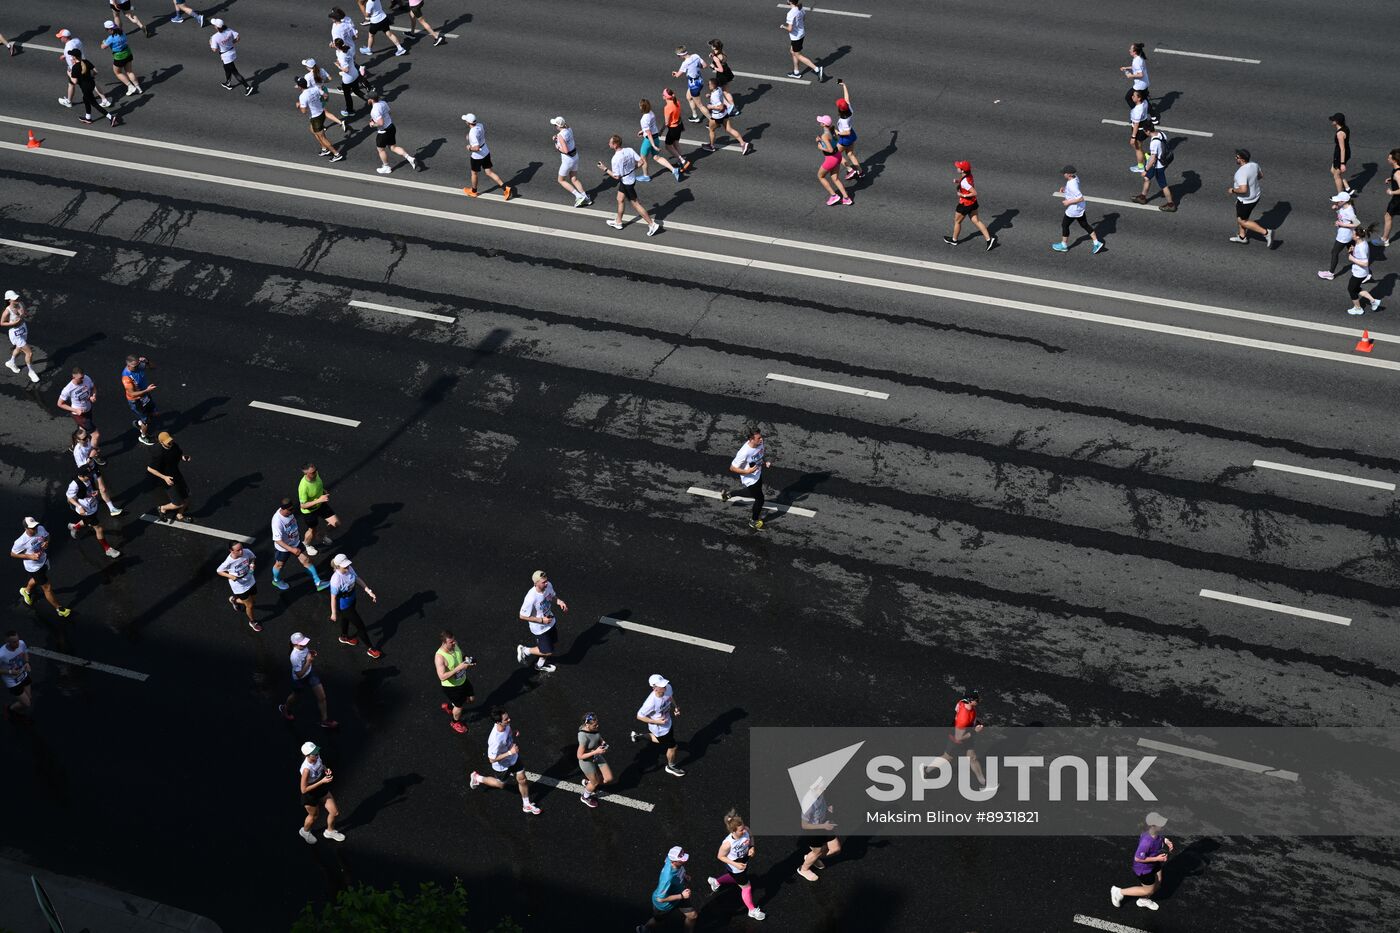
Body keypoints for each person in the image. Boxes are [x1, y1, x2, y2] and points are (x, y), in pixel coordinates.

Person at [469, 707, 542, 814]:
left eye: (508, 717)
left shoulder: (506, 725)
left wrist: (513, 732)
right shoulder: (495, 740)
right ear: (498, 722)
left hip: (513, 758)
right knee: (501, 784)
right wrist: (510, 752)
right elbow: (492, 759)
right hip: (502, 765)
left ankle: (526, 805)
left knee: (522, 779)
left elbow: (507, 732)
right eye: (506, 719)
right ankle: (477, 778)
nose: (509, 720)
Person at [706, 809, 765, 920]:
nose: (744, 831)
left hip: (744, 862)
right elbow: (720, 856)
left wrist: (752, 847)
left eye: (743, 828)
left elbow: (751, 837)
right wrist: (735, 865)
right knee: (747, 887)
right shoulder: (727, 844)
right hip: (736, 867)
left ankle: (716, 882)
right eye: (741, 830)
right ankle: (751, 910)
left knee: (734, 878)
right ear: (733, 831)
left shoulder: (746, 829)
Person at [1110, 812, 1173, 911]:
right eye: (1161, 824)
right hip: (1144, 869)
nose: (1164, 825)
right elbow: (1138, 858)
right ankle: (1119, 892)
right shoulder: (1146, 842)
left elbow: (1160, 837)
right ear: (1153, 826)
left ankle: (1143, 900)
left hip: (1154, 863)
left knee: (1158, 882)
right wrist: (1158, 859)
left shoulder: (1156, 832)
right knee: (1148, 890)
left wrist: (1165, 840)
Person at [599, 135, 660, 236]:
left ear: (615, 145)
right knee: (620, 199)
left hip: (626, 182)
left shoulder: (615, 159)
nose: (608, 144)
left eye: (610, 142)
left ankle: (652, 224)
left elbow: (616, 177)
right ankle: (618, 222)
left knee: (636, 204)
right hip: (630, 179)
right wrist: (631, 170)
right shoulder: (629, 150)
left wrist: (605, 169)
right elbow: (641, 162)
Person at [11, 518, 71, 618]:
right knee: (47, 587)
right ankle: (59, 609)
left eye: (35, 526)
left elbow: (48, 536)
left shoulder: (40, 528)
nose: (35, 529)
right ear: (26, 528)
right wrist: (30, 556)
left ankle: (26, 591)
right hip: (34, 567)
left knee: (36, 579)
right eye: (32, 528)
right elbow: (13, 554)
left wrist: (47, 542)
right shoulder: (21, 541)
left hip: (43, 560)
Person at [328, 554, 382, 658]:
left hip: (352, 599)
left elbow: (357, 579)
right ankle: (371, 649)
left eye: (347, 565)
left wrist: (368, 591)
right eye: (345, 566)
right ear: (338, 566)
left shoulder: (349, 568)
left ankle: (344, 637)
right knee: (360, 627)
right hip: (344, 606)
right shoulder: (336, 579)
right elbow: (333, 598)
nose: (347, 567)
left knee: (345, 619)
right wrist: (333, 613)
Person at [631, 673, 684, 777]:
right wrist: (657, 722)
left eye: (664, 684)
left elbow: (670, 697)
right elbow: (639, 716)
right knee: (673, 747)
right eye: (661, 685)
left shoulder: (667, 687)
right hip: (660, 729)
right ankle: (671, 766)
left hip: (668, 723)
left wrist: (676, 708)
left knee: (661, 740)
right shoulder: (650, 702)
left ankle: (638, 736)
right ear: (654, 687)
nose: (664, 686)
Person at [931, 689, 987, 786]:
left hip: (965, 732)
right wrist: (975, 730)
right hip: (957, 739)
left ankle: (984, 783)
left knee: (972, 758)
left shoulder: (963, 702)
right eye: (977, 699)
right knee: (947, 758)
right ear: (970, 700)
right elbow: (959, 737)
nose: (979, 700)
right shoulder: (963, 718)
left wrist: (974, 722)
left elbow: (957, 710)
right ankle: (926, 770)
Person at [280, 632, 337, 728]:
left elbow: (306, 652)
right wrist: (308, 661)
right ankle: (285, 708)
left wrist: (310, 652)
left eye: (304, 642)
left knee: (322, 697)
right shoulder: (294, 656)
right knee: (295, 696)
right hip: (299, 680)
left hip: (310, 674)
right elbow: (299, 675)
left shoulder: (303, 647)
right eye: (302, 643)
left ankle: (325, 720)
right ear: (295, 644)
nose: (305, 644)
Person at [271, 499, 328, 591]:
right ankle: (276, 580)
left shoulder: (289, 512)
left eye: (293, 509)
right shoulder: (277, 521)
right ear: (283, 509)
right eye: (290, 510)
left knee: (306, 560)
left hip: (296, 542)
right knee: (279, 565)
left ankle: (318, 582)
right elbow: (277, 540)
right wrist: (291, 549)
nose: (292, 511)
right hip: (283, 548)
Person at [517, 569, 566, 673]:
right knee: (547, 651)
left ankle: (539, 665)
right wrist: (541, 620)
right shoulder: (531, 598)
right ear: (536, 583)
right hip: (540, 629)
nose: (546, 583)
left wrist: (559, 601)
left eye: (546, 580)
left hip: (551, 622)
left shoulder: (548, 586)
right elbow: (522, 615)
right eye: (543, 582)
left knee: (552, 643)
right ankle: (525, 650)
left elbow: (552, 596)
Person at [720, 427, 769, 529]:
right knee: (760, 499)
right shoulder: (744, 452)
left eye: (761, 437)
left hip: (758, 474)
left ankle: (729, 495)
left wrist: (765, 462)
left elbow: (760, 454)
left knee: (751, 493)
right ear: (751, 439)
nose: (761, 440)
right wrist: (747, 471)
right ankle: (753, 521)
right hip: (750, 479)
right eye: (758, 438)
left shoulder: (760, 444)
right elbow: (732, 468)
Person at [639, 847, 697, 932]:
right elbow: (660, 898)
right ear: (673, 862)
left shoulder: (670, 859)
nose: (684, 861)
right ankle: (644, 929)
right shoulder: (667, 878)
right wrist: (682, 896)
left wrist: (684, 875)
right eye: (681, 860)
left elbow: (667, 860)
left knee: (693, 916)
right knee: (658, 921)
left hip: (679, 895)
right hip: (665, 905)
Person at [66, 468, 120, 559]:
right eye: (87, 476)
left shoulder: (88, 477)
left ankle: (74, 527)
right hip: (86, 510)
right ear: (81, 476)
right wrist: (79, 507)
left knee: (87, 521)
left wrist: (95, 491)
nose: (89, 477)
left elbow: (91, 486)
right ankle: (108, 549)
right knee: (99, 529)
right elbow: (70, 497)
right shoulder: (74, 485)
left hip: (93, 505)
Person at [298, 742, 346, 843]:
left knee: (334, 812)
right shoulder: (306, 770)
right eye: (314, 753)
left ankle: (330, 831)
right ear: (307, 755)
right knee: (314, 816)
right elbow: (303, 790)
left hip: (321, 789)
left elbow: (322, 765)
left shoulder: (317, 757)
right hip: (310, 795)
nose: (317, 754)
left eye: (317, 751)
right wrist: (322, 781)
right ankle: (305, 831)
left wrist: (326, 769)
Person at [797, 776, 840, 882]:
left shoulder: (819, 792)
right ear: (813, 788)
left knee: (836, 849)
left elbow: (823, 803)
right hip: (813, 831)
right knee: (818, 851)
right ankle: (804, 869)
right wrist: (823, 826)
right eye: (821, 787)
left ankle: (811, 858)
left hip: (824, 824)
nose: (824, 789)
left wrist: (827, 808)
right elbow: (804, 825)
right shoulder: (808, 803)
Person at [945, 160, 996, 249]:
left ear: (962, 170)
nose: (957, 168)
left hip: (965, 204)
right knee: (976, 221)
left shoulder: (965, 182)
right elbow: (965, 182)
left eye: (958, 167)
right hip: (973, 203)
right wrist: (958, 181)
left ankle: (954, 240)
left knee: (957, 221)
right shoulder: (968, 175)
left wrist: (962, 195)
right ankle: (989, 239)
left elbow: (974, 192)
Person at [1053, 166, 1105, 253]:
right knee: (1084, 224)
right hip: (1080, 207)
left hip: (1074, 209)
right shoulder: (1075, 177)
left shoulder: (1072, 185)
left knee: (1065, 225)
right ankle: (1096, 242)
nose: (1063, 174)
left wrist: (1068, 202)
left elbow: (1080, 198)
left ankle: (1063, 245)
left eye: (1064, 173)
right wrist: (1065, 190)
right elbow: (1073, 190)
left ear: (1069, 174)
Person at [295, 76, 346, 163]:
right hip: (322, 113)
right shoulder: (315, 88)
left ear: (299, 87)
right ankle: (324, 148)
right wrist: (316, 102)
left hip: (316, 118)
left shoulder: (302, 96)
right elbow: (325, 95)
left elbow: (304, 111)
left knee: (322, 137)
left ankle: (336, 154)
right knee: (312, 130)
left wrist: (299, 105)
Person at [461, 114, 512, 199]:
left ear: (468, 123)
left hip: (477, 156)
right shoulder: (480, 125)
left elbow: (476, 148)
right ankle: (505, 188)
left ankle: (473, 192)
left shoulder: (472, 133)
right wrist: (469, 137)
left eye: (466, 120)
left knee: (474, 173)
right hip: (485, 151)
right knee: (489, 172)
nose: (465, 121)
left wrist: (469, 148)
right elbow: (477, 135)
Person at [71, 428, 121, 515]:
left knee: (103, 489)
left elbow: (94, 449)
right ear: (78, 440)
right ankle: (76, 504)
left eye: (87, 436)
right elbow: (83, 467)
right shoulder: (78, 452)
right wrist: (91, 457)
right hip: (87, 473)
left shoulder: (88, 440)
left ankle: (112, 509)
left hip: (94, 468)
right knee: (89, 494)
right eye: (84, 439)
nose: (87, 439)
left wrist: (96, 451)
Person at [1227, 149, 1272, 246]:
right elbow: (1260, 176)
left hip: (1246, 201)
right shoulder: (1254, 165)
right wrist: (1251, 182)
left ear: (1242, 160)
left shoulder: (1241, 173)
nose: (1235, 158)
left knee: (1242, 221)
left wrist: (1233, 190)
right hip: (1256, 196)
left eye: (1237, 157)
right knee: (1243, 216)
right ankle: (1242, 237)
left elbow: (1243, 190)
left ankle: (1266, 233)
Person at [367, 92, 419, 174]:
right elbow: (388, 112)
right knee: (393, 147)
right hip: (391, 127)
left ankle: (386, 167)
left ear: (371, 100)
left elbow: (380, 123)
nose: (367, 99)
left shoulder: (374, 110)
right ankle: (409, 158)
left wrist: (372, 125)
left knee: (381, 149)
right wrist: (376, 118)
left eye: (368, 98)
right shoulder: (383, 103)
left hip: (383, 132)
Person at [434, 629, 475, 733]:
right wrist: (459, 668)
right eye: (451, 642)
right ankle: (455, 722)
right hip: (452, 688)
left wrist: (467, 660)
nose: (454, 643)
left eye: (454, 640)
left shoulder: (455, 646)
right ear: (444, 643)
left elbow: (461, 654)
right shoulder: (440, 657)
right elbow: (442, 677)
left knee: (471, 699)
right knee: (459, 706)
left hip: (463, 680)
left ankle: (450, 706)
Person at [68, 48, 121, 126]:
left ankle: (111, 117)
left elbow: (75, 82)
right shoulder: (86, 61)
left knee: (94, 103)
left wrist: (69, 74)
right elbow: (96, 71)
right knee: (85, 99)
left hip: (85, 87)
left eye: (72, 56)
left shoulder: (75, 67)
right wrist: (89, 76)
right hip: (91, 84)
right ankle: (88, 118)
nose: (71, 57)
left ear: (74, 57)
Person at [146, 430, 190, 521]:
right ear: (161, 442)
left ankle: (179, 515)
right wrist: (165, 477)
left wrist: (183, 457)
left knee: (186, 498)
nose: (170, 443)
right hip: (167, 479)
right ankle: (162, 508)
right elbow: (150, 469)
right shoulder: (160, 454)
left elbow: (179, 454)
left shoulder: (174, 446)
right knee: (179, 503)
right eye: (168, 442)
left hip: (177, 474)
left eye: (170, 440)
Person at [217, 540, 260, 632]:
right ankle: (252, 622)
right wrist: (230, 576)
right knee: (250, 605)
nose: (241, 551)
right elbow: (219, 570)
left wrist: (252, 564)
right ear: (231, 551)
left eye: (241, 548)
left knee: (253, 601)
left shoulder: (246, 551)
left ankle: (234, 600)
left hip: (250, 580)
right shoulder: (228, 562)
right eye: (238, 550)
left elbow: (252, 558)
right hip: (240, 587)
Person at [297, 463, 339, 553]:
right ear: (306, 474)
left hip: (320, 504)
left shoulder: (316, 474)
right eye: (313, 472)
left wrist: (322, 490)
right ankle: (306, 545)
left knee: (336, 523)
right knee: (312, 530)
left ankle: (321, 535)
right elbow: (302, 505)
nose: (315, 473)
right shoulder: (303, 487)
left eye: (316, 470)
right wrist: (319, 500)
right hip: (309, 511)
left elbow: (317, 485)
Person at [701, 78, 751, 155]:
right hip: (724, 113)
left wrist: (710, 107)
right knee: (729, 129)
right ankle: (743, 143)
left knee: (711, 130)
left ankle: (711, 146)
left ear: (713, 85)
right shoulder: (719, 89)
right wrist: (710, 96)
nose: (708, 85)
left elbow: (720, 107)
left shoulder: (714, 96)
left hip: (717, 116)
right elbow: (717, 98)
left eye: (709, 84)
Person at [1133, 126, 1177, 211]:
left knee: (1163, 185)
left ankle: (1171, 204)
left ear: (1148, 131)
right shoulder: (1162, 134)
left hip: (1158, 166)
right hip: (1163, 162)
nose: (1145, 133)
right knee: (1147, 178)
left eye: (1145, 131)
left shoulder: (1153, 142)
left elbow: (1153, 159)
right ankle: (1142, 197)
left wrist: (1145, 170)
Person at [576, 711, 615, 807]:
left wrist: (602, 742)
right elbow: (579, 756)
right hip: (586, 761)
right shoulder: (583, 737)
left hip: (596, 754)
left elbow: (597, 736)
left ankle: (589, 782)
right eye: (595, 725)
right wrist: (596, 752)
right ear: (587, 725)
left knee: (609, 778)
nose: (597, 726)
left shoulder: (593, 728)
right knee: (595, 783)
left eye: (597, 724)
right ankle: (585, 797)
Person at [550, 116, 591, 207]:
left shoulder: (560, 136)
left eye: (555, 125)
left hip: (567, 160)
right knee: (574, 179)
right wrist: (557, 137)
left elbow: (565, 150)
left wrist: (557, 146)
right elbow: (565, 134)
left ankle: (579, 196)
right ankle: (586, 198)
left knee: (561, 180)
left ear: (558, 126)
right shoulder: (569, 129)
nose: (554, 127)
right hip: (575, 157)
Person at [1318, 191, 1359, 280]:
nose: (1336, 202)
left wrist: (1342, 224)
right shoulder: (1344, 206)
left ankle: (1330, 273)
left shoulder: (1349, 211)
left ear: (1344, 201)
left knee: (1334, 252)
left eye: (1338, 201)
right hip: (1349, 234)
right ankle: (1364, 271)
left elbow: (1356, 223)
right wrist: (1336, 208)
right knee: (1352, 252)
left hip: (1344, 236)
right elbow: (1342, 216)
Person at [638, 98, 681, 181]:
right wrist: (643, 131)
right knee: (656, 157)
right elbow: (651, 127)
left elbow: (649, 133)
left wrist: (653, 145)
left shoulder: (643, 119)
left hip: (649, 140)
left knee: (643, 158)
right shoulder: (651, 113)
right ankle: (673, 170)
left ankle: (646, 176)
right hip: (656, 137)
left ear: (641, 108)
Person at [208, 19, 253, 96]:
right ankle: (227, 83)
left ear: (217, 27)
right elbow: (238, 38)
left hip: (226, 56)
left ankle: (247, 87)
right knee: (226, 67)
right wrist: (231, 43)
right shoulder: (228, 30)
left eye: (214, 25)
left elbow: (214, 49)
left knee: (234, 72)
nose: (214, 26)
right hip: (232, 51)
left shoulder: (215, 37)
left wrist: (210, 42)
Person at [120, 353, 157, 445]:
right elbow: (132, 393)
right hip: (136, 401)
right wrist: (147, 390)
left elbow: (153, 367)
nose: (137, 367)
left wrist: (147, 361)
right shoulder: (126, 377)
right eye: (134, 366)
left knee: (154, 413)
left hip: (145, 395)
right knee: (146, 420)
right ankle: (143, 437)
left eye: (138, 364)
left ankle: (139, 423)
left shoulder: (139, 365)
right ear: (128, 365)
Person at [1344, 224, 1382, 316]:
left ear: (1357, 236)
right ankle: (1374, 301)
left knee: (1351, 289)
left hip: (1359, 273)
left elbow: (1365, 263)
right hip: (1361, 271)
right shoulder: (1361, 242)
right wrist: (1352, 251)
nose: (1351, 235)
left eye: (1353, 234)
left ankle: (1358, 308)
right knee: (1356, 288)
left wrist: (1352, 259)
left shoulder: (1361, 247)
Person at [813, 116, 851, 207]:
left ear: (823, 124)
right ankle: (846, 199)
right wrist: (820, 141)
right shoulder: (832, 130)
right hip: (838, 156)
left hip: (831, 158)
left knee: (820, 176)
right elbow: (832, 143)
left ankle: (834, 196)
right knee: (835, 179)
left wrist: (820, 146)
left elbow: (829, 150)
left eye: (821, 122)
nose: (820, 123)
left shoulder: (824, 135)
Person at [781, 0, 822, 81]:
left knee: (798, 55)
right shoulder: (801, 8)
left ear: (790, 2)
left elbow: (790, 29)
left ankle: (817, 69)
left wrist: (783, 26)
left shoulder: (790, 14)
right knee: (793, 51)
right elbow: (803, 19)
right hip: (801, 33)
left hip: (796, 37)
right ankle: (796, 72)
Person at [2, 291, 37, 383]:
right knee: (29, 353)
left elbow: (23, 312)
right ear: (9, 300)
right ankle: (31, 372)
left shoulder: (20, 303)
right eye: (14, 299)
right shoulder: (7, 311)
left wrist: (26, 314)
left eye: (17, 297)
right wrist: (13, 323)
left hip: (23, 328)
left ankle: (11, 362)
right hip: (15, 333)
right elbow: (1, 323)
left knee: (18, 348)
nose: (17, 299)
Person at [101, 21, 141, 97]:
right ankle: (138, 88)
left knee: (117, 72)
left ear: (110, 30)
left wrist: (103, 42)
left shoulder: (111, 38)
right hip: (128, 53)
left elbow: (103, 47)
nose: (106, 31)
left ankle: (130, 86)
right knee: (129, 71)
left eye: (106, 30)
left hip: (119, 57)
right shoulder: (122, 32)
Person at [331, 38, 368, 117]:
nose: (332, 44)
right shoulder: (348, 49)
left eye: (334, 44)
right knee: (357, 91)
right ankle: (371, 100)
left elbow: (346, 70)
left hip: (348, 78)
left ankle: (350, 110)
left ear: (337, 46)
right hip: (355, 73)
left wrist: (338, 65)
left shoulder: (342, 56)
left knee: (347, 95)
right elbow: (351, 57)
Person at [659, 89, 693, 175]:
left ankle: (683, 161)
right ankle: (680, 162)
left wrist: (661, 131)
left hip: (673, 129)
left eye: (663, 95)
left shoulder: (667, 108)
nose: (662, 96)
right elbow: (679, 114)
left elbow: (666, 123)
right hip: (679, 125)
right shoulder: (677, 102)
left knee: (668, 146)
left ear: (666, 97)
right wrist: (683, 126)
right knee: (676, 144)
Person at [0, 631, 33, 719]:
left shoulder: (21, 643)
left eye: (17, 640)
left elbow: (25, 652)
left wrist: (26, 662)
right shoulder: (1, 654)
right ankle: (9, 709)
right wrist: (10, 672)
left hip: (23, 675)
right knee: (27, 704)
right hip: (13, 682)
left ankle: (17, 712)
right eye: (14, 642)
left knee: (29, 698)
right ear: (8, 642)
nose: (17, 643)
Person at [834, 80, 861, 180]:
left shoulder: (843, 120)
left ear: (841, 109)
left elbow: (847, 132)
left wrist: (838, 132)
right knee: (850, 154)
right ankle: (861, 172)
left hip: (845, 138)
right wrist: (844, 85)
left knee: (835, 154)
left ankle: (850, 170)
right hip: (852, 136)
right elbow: (847, 98)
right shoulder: (850, 109)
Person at [56, 29, 90, 109]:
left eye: (61, 37)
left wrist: (71, 71)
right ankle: (104, 99)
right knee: (91, 81)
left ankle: (69, 102)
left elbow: (72, 59)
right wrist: (65, 55)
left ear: (65, 37)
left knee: (72, 83)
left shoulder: (68, 47)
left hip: (75, 68)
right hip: (84, 64)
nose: (60, 39)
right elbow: (76, 51)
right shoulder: (76, 40)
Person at [57, 367, 98, 432]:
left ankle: (79, 441)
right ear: (73, 377)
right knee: (95, 434)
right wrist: (76, 410)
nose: (83, 379)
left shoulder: (86, 378)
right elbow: (60, 404)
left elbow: (93, 388)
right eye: (80, 378)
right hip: (79, 415)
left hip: (88, 410)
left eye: (83, 376)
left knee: (82, 430)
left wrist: (93, 395)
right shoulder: (68, 389)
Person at [673, 46, 706, 123]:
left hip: (694, 84)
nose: (678, 57)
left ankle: (712, 120)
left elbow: (677, 75)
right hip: (699, 80)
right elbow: (704, 65)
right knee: (689, 97)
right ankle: (695, 116)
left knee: (700, 105)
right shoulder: (696, 56)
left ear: (681, 55)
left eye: (678, 55)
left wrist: (674, 73)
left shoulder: (685, 63)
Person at [708, 40, 737, 114]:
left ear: (714, 47)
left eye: (712, 45)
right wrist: (713, 55)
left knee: (720, 92)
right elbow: (722, 61)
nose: (711, 46)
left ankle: (728, 108)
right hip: (727, 72)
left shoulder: (716, 57)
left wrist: (713, 67)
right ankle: (734, 108)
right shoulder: (722, 52)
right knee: (726, 92)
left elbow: (720, 70)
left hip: (721, 76)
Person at [1127, 89, 1151, 173]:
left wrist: (1133, 137)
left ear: (1139, 98)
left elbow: (1136, 125)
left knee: (1137, 148)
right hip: (1144, 127)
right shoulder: (1145, 102)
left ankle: (1140, 166)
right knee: (1138, 147)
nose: (1132, 97)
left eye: (1134, 96)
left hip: (1139, 131)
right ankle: (1147, 156)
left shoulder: (1137, 110)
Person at [1329, 113, 1353, 196]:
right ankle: (1345, 184)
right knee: (1332, 170)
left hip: (1340, 155)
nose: (1331, 121)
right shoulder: (1346, 128)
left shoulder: (1340, 134)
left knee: (1336, 176)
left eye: (1333, 120)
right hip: (1344, 152)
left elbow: (1342, 149)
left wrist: (1342, 164)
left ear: (1337, 122)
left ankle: (1341, 196)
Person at [1119, 42, 1149, 107]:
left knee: (1128, 97)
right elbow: (1135, 67)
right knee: (1144, 99)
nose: (1129, 50)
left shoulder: (1136, 61)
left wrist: (1131, 76)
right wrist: (1126, 68)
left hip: (1140, 85)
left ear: (1135, 52)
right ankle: (1153, 115)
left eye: (1131, 49)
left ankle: (1136, 110)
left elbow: (1141, 74)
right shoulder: (1139, 57)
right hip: (1145, 82)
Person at [1382, 147, 1400, 248]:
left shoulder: (1397, 173)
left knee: (1388, 216)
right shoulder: (1397, 171)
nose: (1387, 159)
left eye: (1389, 158)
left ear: (1394, 160)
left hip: (1397, 200)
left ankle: (1385, 239)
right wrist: (1391, 179)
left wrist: (1391, 192)